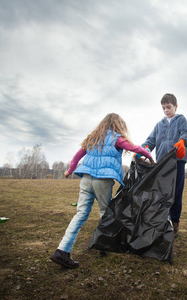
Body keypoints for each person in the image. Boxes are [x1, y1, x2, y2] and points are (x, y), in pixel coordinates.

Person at [50, 113, 154, 268]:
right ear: (118, 125)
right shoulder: (117, 138)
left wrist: (69, 171)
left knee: (80, 214)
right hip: (102, 181)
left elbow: (77, 156)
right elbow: (134, 148)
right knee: (105, 213)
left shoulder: (93, 138)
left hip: (86, 179)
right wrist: (149, 156)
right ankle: (103, 245)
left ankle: (62, 250)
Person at [141, 93, 187, 238]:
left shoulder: (181, 120)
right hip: (161, 163)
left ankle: (174, 224)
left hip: (177, 162)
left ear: (175, 106)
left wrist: (182, 141)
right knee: (161, 194)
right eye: (163, 108)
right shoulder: (159, 124)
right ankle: (162, 222)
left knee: (176, 193)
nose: (166, 110)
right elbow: (150, 141)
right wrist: (143, 150)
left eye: (168, 107)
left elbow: (186, 134)